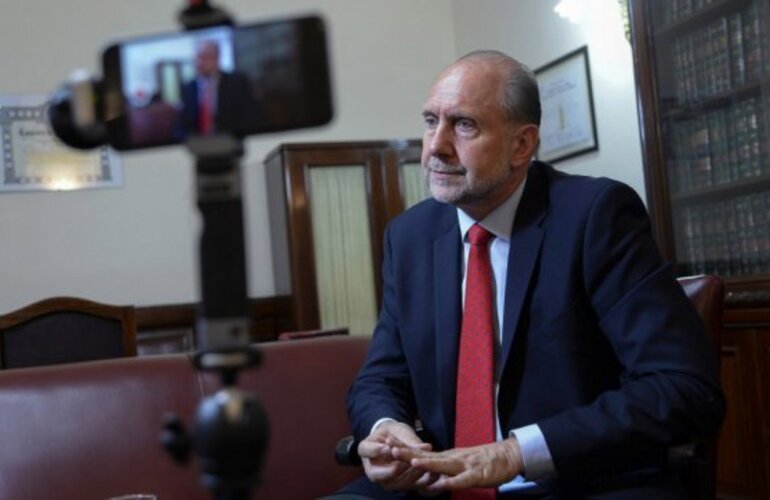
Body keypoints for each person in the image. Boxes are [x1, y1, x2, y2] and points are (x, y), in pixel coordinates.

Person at [336, 50, 725, 499]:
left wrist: (515, 453)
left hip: (574, 482)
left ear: (522, 145)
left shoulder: (594, 217)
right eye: (430, 121)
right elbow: (378, 379)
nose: (434, 147)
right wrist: (387, 429)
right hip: (439, 483)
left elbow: (684, 388)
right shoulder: (409, 236)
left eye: (464, 125)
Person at [177, 39, 263, 137]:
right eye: (197, 57)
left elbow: (253, 118)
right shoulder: (188, 88)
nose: (199, 62)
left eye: (205, 57)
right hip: (199, 144)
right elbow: (181, 125)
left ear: (216, 58)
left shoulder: (237, 83)